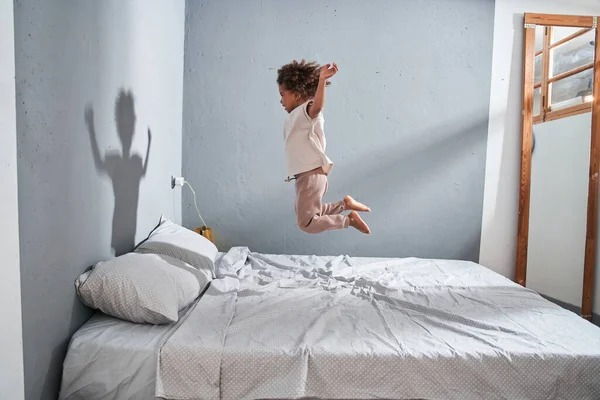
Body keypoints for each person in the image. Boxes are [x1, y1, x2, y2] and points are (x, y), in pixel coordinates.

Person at [277, 60, 371, 234]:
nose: (280, 100)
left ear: (297, 95)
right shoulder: (295, 116)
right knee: (309, 214)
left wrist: (321, 81)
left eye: (283, 94)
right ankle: (345, 204)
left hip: (311, 174)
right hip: (305, 176)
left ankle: (348, 220)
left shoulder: (306, 111)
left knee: (306, 223)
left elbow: (317, 106)